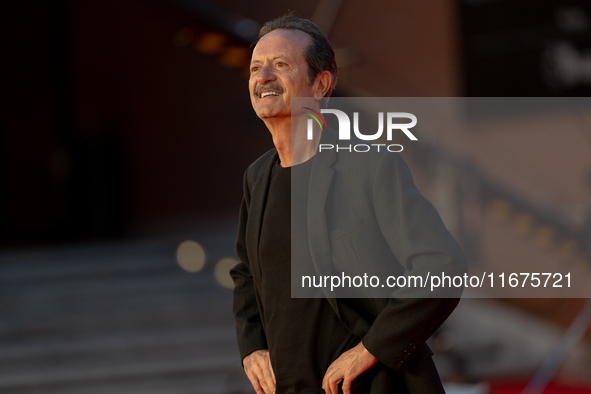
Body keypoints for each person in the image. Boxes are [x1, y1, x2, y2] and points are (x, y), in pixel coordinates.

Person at [230, 14, 467, 394]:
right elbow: (246, 273)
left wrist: (371, 349)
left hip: (373, 385)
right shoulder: (256, 178)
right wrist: (252, 346)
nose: (263, 77)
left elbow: (442, 266)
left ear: (321, 83)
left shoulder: (369, 165)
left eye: (281, 65)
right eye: (256, 68)